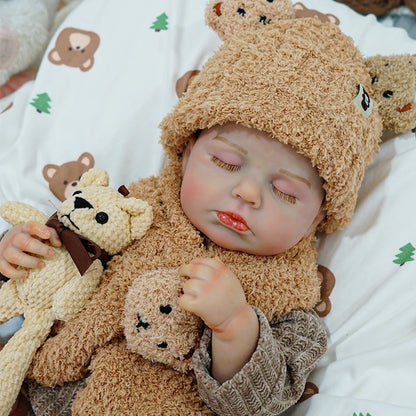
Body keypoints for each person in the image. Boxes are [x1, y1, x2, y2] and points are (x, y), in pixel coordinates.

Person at [0, 18, 382, 415]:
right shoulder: (134, 210)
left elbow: (264, 399)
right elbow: (58, 261)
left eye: (285, 191)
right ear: (185, 150)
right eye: (226, 162)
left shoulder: (290, 299)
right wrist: (19, 251)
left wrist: (235, 326)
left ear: (321, 213)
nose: (247, 194)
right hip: (39, 395)